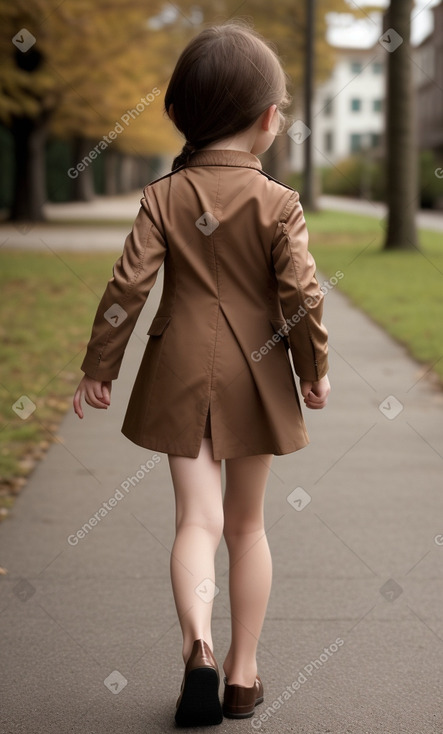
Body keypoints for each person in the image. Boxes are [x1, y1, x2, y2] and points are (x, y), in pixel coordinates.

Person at [73, 21, 330, 728]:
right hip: (257, 375)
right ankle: (243, 679)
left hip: (179, 369)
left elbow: (127, 288)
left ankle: (200, 651)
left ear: (183, 113)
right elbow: (300, 296)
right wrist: (314, 369)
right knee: (246, 527)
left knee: (196, 520)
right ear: (267, 119)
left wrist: (100, 368)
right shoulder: (279, 202)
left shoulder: (163, 196)